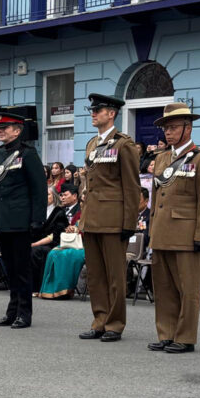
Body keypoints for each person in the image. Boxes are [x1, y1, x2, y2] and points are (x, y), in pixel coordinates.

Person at [149, 102, 200, 354]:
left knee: (187, 288)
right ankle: (166, 333)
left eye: (173, 127)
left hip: (186, 234)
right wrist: (151, 232)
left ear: (187, 128)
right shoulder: (161, 159)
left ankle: (185, 336)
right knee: (164, 287)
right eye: (166, 128)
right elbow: (156, 200)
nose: (168, 132)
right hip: (161, 233)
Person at [77, 94, 141, 343]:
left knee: (115, 275)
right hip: (91, 218)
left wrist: (129, 223)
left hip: (114, 219)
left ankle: (115, 323)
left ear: (111, 113)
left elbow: (131, 186)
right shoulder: (92, 143)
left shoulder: (124, 144)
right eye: (92, 110)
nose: (93, 113)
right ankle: (99, 320)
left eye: (98, 110)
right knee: (95, 275)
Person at [0, 114, 47, 329]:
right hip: (4, 219)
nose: (1, 130)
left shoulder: (27, 154)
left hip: (21, 219)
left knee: (22, 268)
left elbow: (39, 189)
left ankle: (24, 313)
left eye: (6, 127)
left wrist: (37, 220)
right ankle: (11, 311)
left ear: (18, 130)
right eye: (0, 127)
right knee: (10, 268)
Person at [30, 186, 69, 293]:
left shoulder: (59, 212)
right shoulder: (38, 210)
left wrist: (35, 244)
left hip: (52, 244)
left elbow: (54, 235)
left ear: (54, 196)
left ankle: (36, 287)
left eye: (48, 194)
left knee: (35, 251)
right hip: (35, 242)